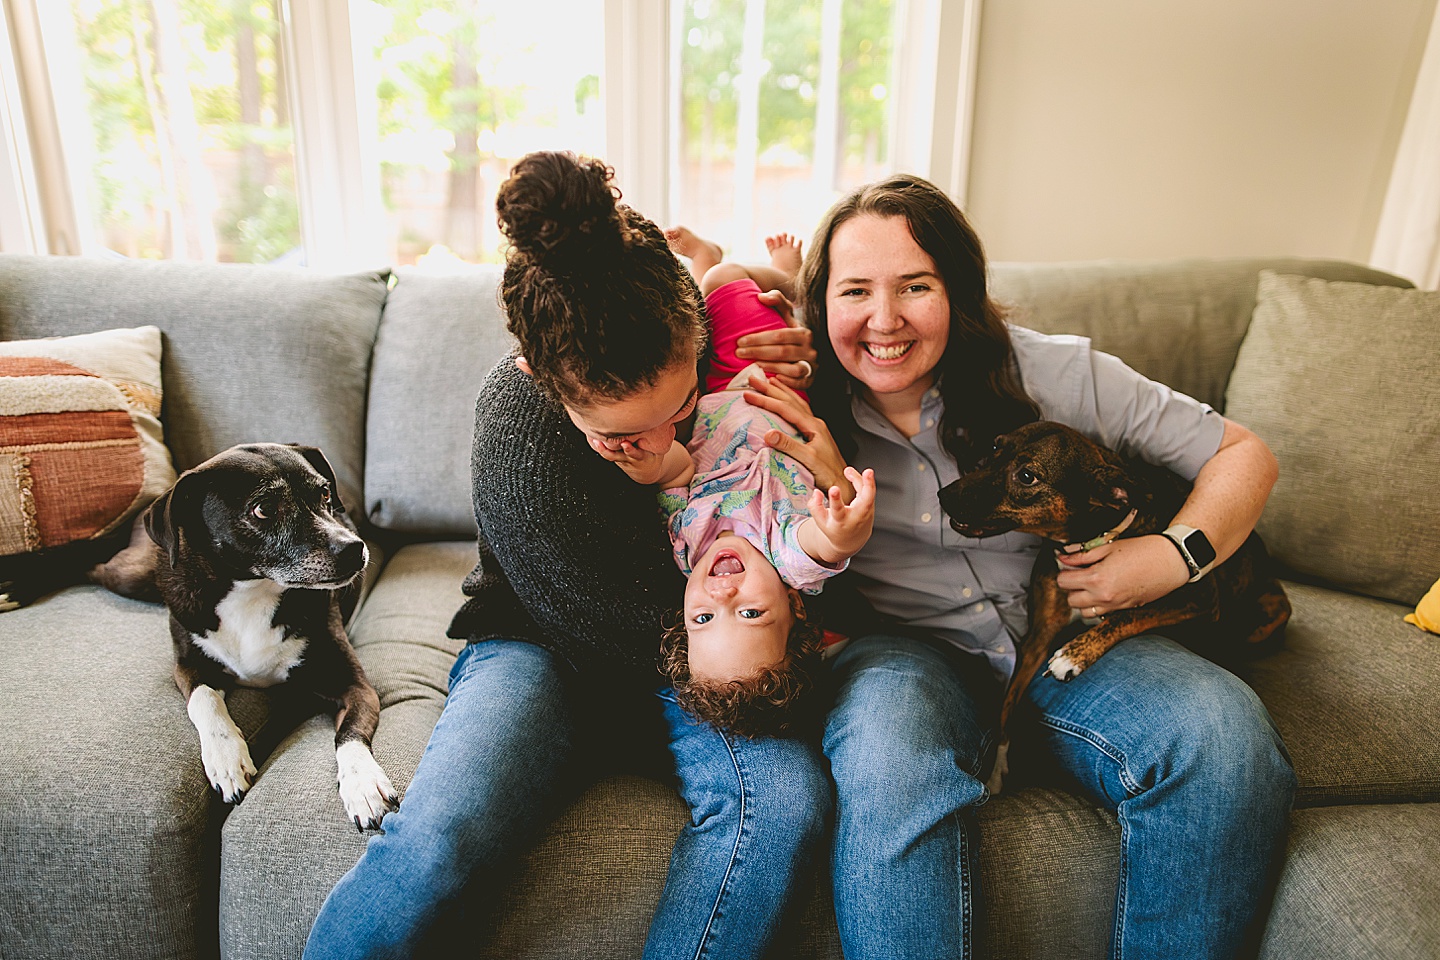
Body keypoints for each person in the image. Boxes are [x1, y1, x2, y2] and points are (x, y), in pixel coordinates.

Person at [747, 173, 1297, 960]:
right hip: (911, 654)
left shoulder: (1058, 375)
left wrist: (1176, 556)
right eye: (854, 290)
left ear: (960, 292)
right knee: (886, 756)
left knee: (1223, 737)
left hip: (1078, 641)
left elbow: (1245, 453)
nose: (884, 319)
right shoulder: (796, 404)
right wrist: (734, 296)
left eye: (916, 286)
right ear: (820, 303)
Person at [303, 151, 826, 960]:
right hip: (550, 642)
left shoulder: (689, 314)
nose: (662, 444)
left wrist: (784, 351)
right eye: (620, 436)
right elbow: (621, 630)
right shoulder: (517, 431)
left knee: (782, 805)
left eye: (681, 406)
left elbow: (728, 288)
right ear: (542, 381)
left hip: (712, 633)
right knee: (438, 836)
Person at [619, 228, 877, 738]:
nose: (723, 594)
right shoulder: (785, 555)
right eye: (751, 611)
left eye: (705, 619)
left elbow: (679, 471)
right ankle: (788, 276)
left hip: (704, 401)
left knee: (689, 322)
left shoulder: (688, 546)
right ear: (794, 605)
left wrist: (650, 465)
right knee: (728, 281)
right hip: (764, 385)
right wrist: (843, 528)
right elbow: (826, 544)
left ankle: (702, 268)